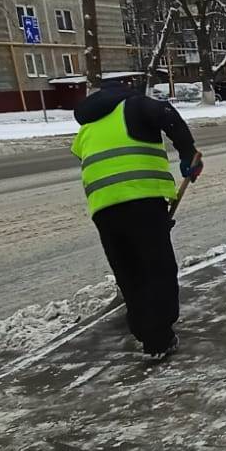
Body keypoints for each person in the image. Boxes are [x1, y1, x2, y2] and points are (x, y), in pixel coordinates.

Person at [71, 79, 202, 360]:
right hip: (143, 197)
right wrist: (188, 153)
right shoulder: (133, 104)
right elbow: (167, 114)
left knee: (129, 271)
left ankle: (146, 333)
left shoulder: (87, 127)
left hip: (103, 207)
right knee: (157, 267)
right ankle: (160, 338)